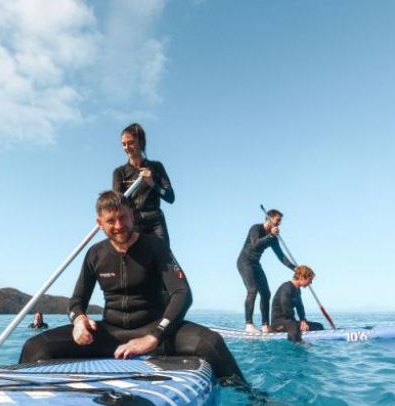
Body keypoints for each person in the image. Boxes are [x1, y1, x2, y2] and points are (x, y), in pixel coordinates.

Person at [19, 190, 244, 384]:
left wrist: (153, 337)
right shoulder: (95, 254)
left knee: (211, 343)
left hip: (155, 331)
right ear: (99, 223)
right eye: (111, 221)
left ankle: (253, 400)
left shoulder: (155, 247)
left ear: (132, 215)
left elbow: (182, 293)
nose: (119, 226)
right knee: (34, 347)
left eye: (123, 218)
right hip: (110, 334)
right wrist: (78, 320)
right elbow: (77, 301)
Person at [112, 123, 175, 246]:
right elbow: (117, 204)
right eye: (123, 144)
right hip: (133, 223)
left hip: (155, 223)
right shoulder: (119, 172)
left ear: (140, 142)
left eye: (130, 143)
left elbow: (170, 197)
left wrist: (152, 183)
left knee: (163, 255)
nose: (126, 147)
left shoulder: (156, 167)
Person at [237, 209, 296, 334]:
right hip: (244, 262)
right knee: (252, 290)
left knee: (266, 293)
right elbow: (255, 244)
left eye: (280, 221)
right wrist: (270, 236)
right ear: (269, 218)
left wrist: (294, 268)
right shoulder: (256, 228)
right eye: (277, 220)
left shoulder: (273, 238)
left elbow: (281, 256)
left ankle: (265, 325)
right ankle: (249, 325)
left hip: (255, 264)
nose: (279, 223)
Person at [270, 265, 325, 343]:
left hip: (290, 321)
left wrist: (303, 320)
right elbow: (285, 307)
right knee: (294, 326)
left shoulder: (297, 290)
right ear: (302, 277)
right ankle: (299, 346)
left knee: (319, 326)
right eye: (310, 280)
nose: (310, 283)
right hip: (278, 323)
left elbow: (300, 307)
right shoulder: (286, 287)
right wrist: (298, 323)